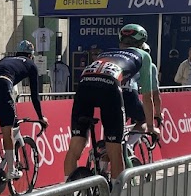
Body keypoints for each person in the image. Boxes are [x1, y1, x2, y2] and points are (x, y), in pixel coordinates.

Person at [64, 23, 160, 183]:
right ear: (141, 43)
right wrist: (150, 127)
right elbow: (147, 96)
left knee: (75, 147)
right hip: (110, 87)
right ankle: (117, 194)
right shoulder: (144, 55)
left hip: (84, 85)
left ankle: (67, 193)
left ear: (121, 41)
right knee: (115, 150)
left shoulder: (106, 53)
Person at [0, 40, 48, 180]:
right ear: (31, 55)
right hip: (3, 85)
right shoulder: (31, 65)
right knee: (7, 131)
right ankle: (11, 170)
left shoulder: (6, 59)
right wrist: (41, 117)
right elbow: (34, 96)